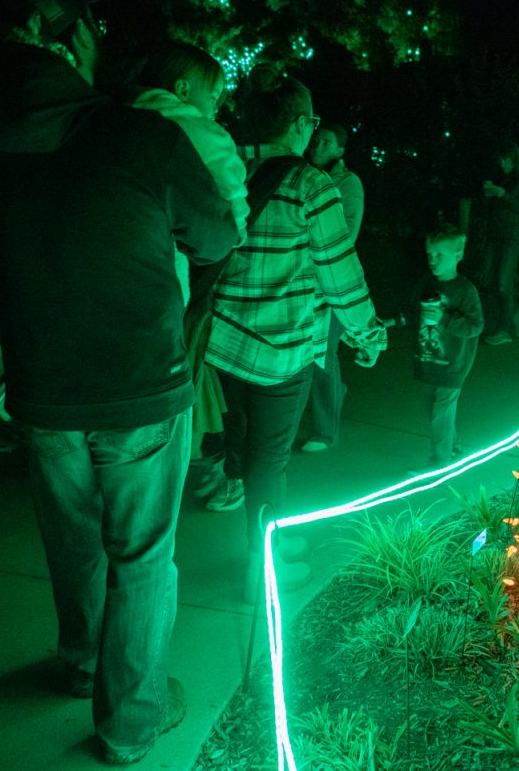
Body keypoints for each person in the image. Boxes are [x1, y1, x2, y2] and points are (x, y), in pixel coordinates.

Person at [0, 0, 239, 764]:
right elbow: (216, 237)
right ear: (72, 46)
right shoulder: (139, 136)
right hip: (141, 388)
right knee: (141, 558)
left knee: (72, 542)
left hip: (42, 395)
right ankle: (131, 721)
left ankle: (80, 664)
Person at [206, 69, 385, 599]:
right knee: (268, 461)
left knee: (246, 449)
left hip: (222, 344)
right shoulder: (311, 184)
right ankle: (260, 571)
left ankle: (268, 544)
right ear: (303, 124)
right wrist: (367, 334)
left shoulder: (227, 168)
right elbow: (339, 273)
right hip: (281, 352)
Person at [131, 40, 251, 513]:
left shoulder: (113, 119)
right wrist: (236, 224)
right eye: (214, 92)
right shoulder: (200, 132)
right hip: (174, 272)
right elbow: (230, 209)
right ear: (182, 88)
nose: (217, 104)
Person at [299, 120, 365, 453]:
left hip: (333, 283)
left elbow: (345, 235)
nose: (316, 146)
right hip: (306, 282)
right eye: (315, 140)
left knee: (323, 355)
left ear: (340, 150)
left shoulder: (347, 183)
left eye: (325, 142)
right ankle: (331, 399)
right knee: (314, 353)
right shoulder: (303, 176)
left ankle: (325, 431)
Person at [414, 226, 483, 467]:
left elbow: (475, 326)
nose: (433, 260)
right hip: (429, 357)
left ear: (458, 255)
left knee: (441, 410)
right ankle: (452, 446)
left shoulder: (465, 290)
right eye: (430, 255)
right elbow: (414, 312)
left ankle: (440, 461)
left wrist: (444, 318)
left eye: (439, 255)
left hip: (454, 362)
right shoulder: (428, 284)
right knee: (433, 409)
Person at [480, 141, 519, 346]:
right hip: (494, 233)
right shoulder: (498, 177)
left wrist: (504, 195)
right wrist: (488, 195)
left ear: (514, 158)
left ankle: (504, 329)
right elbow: (489, 208)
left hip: (512, 235)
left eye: (506, 159)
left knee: (503, 282)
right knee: (487, 280)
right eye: (500, 159)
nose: (502, 163)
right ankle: (514, 312)